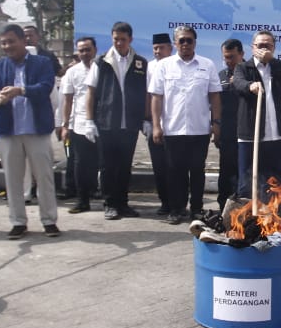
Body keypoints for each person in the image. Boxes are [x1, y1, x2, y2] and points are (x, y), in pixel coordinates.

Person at [0, 24, 60, 238]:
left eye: (11, 41)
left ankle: (49, 220)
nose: (7, 46)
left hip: (36, 130)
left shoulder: (42, 63)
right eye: (3, 43)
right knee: (13, 179)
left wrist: (21, 90)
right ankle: (18, 222)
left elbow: (45, 87)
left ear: (22, 41)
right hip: (8, 131)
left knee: (44, 177)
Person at [148, 26, 221, 223]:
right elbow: (156, 97)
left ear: (195, 42)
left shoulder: (207, 65)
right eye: (182, 40)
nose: (186, 44)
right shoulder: (164, 66)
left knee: (197, 171)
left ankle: (196, 209)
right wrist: (156, 125)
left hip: (199, 129)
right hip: (173, 129)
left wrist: (216, 123)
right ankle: (176, 209)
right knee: (174, 172)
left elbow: (214, 96)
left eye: (189, 40)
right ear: (175, 43)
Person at [82, 21, 148, 220]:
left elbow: (145, 93)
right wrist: (89, 120)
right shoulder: (101, 62)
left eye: (123, 39)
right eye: (116, 39)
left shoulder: (140, 63)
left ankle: (123, 203)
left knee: (125, 166)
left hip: (129, 124)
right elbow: (91, 93)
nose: (119, 43)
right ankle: (110, 204)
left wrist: (146, 119)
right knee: (108, 166)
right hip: (107, 122)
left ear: (131, 39)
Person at [233, 31, 281, 205]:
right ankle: (246, 218)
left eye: (268, 45)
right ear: (253, 47)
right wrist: (250, 86)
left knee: (274, 179)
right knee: (248, 178)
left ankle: (274, 216)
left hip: (275, 134)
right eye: (260, 45)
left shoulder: (277, 67)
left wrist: (272, 61)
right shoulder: (243, 67)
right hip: (250, 135)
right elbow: (238, 84)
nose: (264, 49)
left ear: (274, 47)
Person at [61, 37, 99, 213]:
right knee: (81, 163)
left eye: (88, 49)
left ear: (95, 50)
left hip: (102, 123)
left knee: (102, 163)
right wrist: (65, 125)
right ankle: (82, 200)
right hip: (80, 125)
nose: (84, 53)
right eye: (81, 50)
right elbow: (68, 101)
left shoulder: (103, 68)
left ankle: (104, 196)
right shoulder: (72, 72)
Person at [215, 39, 244, 210]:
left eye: (232, 57)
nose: (228, 61)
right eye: (225, 57)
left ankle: (242, 206)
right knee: (226, 170)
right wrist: (216, 128)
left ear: (241, 54)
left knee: (243, 171)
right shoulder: (220, 76)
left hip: (246, 131)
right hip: (226, 131)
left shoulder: (251, 74)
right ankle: (223, 206)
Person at [146, 32, 173, 215]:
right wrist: (147, 120)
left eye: (161, 47)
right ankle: (165, 202)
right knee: (159, 166)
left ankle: (177, 203)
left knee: (175, 167)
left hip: (175, 126)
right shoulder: (149, 67)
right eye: (155, 48)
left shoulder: (175, 65)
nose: (157, 51)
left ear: (170, 48)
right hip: (155, 125)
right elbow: (147, 95)